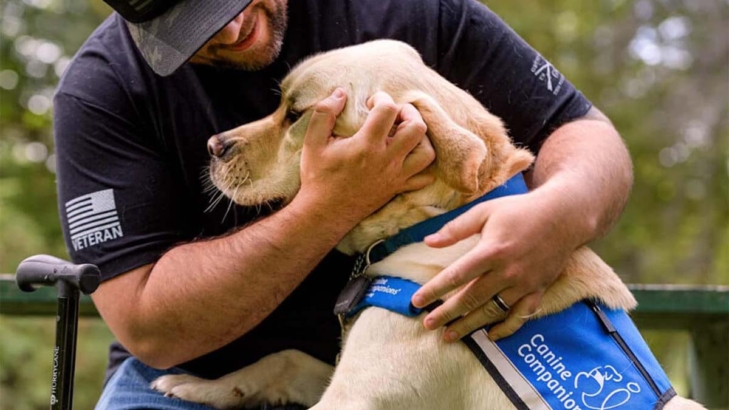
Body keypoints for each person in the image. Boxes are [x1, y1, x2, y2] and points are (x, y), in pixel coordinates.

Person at [53, 0, 633, 409]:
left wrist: (559, 215)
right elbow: (151, 326)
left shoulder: (410, 11)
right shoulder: (102, 91)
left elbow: (584, 132)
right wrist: (329, 207)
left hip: (414, 365)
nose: (230, 28)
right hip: (195, 374)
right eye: (193, 22)